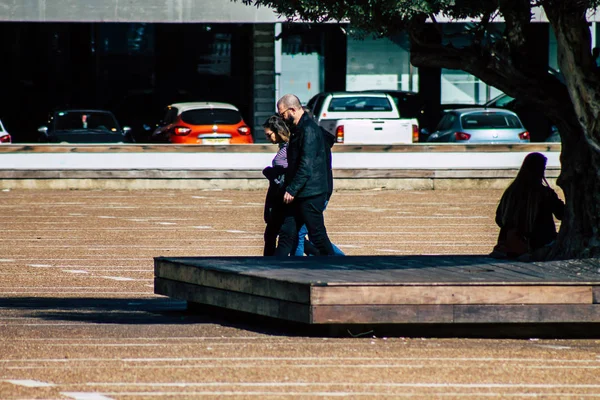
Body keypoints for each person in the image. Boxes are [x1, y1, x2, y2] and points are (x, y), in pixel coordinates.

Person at [274, 94, 335, 256]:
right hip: (302, 193)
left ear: (292, 109)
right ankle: (274, 269)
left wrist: (292, 189)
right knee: (287, 233)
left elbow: (305, 164)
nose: (282, 118)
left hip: (310, 193)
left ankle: (336, 265)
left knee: (318, 236)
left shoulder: (308, 130)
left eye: (282, 114)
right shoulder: (299, 129)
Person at [490, 152, 565, 260]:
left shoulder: (511, 192)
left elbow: (499, 219)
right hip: (539, 243)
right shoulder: (544, 193)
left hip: (510, 242)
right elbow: (561, 213)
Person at [294, 107, 345, 256]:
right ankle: (330, 258)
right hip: (321, 191)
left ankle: (340, 259)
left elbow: (307, 167)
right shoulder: (317, 137)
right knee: (313, 234)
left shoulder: (312, 138)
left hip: (315, 192)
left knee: (301, 234)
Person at [261, 115, 291, 256]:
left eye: (269, 135)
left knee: (289, 236)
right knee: (272, 234)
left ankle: (332, 256)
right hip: (277, 195)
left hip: (284, 196)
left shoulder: (289, 147)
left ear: (277, 131)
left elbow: (288, 172)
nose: (268, 138)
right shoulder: (282, 147)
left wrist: (272, 174)